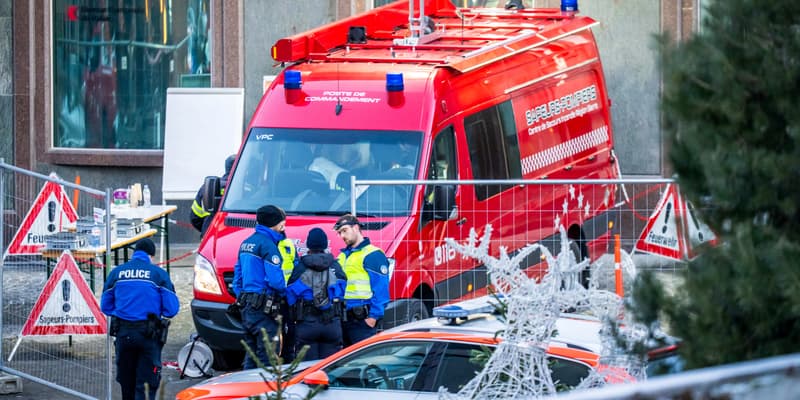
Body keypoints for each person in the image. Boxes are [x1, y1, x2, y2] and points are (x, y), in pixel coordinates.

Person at [100, 238, 179, 400]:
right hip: (148, 335)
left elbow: (105, 306)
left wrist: (124, 310)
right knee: (146, 386)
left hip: (123, 334)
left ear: (135, 253)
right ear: (151, 256)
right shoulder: (158, 274)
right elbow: (171, 310)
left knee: (127, 383)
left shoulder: (116, 273)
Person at [231, 205, 288, 368]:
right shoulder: (268, 246)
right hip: (264, 309)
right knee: (268, 357)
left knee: (251, 354)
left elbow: (237, 280)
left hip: (247, 307)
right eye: (282, 222)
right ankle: (264, 385)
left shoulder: (246, 243)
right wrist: (285, 293)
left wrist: (243, 296)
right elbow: (276, 282)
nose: (284, 226)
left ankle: (248, 383)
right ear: (276, 223)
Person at [286, 228, 347, 360]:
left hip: (307, 323)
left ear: (309, 245)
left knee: (307, 367)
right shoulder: (335, 266)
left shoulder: (301, 267)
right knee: (330, 365)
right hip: (331, 323)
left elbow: (290, 294)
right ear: (325, 245)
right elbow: (342, 290)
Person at [333, 214, 390, 346]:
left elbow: (381, 288)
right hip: (344, 317)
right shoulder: (342, 256)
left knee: (364, 357)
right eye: (339, 233)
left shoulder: (372, 254)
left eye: (344, 230)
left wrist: (373, 317)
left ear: (356, 228)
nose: (342, 236)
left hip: (363, 318)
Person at [190, 154, 235, 235]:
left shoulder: (207, 187)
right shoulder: (247, 189)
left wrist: (207, 228)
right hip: (235, 235)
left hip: (210, 235)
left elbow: (195, 217)